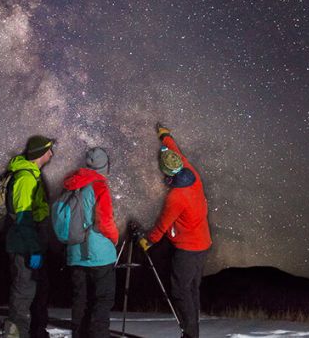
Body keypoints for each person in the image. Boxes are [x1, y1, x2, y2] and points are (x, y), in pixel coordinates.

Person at [137, 124, 212, 338]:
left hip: (187, 249)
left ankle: (190, 334)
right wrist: (165, 136)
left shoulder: (176, 197)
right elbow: (176, 150)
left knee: (180, 290)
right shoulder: (191, 173)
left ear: (166, 172)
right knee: (192, 288)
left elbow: (162, 224)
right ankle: (193, 329)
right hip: (203, 244)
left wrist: (148, 241)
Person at [62, 147, 119, 338]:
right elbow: (105, 221)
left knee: (80, 300)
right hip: (99, 255)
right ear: (105, 166)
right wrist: (114, 238)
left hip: (75, 254)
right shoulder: (99, 186)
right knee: (102, 300)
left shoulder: (72, 184)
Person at [4, 135, 54, 338]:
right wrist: (33, 249)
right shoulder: (25, 178)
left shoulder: (33, 176)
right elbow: (23, 217)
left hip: (32, 243)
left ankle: (36, 333)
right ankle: (16, 335)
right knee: (23, 293)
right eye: (49, 149)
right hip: (24, 245)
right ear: (41, 153)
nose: (52, 153)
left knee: (38, 291)